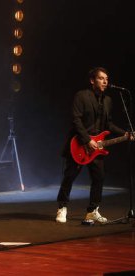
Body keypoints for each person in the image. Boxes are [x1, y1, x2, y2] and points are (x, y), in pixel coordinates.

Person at [56, 67, 133, 224]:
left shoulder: (108, 101)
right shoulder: (82, 96)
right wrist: (86, 140)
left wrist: (125, 133)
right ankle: (62, 208)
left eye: (106, 78)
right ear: (92, 80)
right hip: (79, 143)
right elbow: (76, 119)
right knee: (70, 176)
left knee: (99, 177)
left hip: (96, 147)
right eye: (101, 78)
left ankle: (92, 211)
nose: (105, 81)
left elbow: (108, 124)